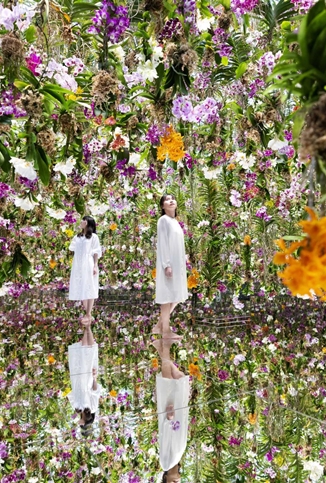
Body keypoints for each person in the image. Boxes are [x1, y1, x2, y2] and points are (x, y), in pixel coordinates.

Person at [152, 338, 188, 482]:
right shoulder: (177, 459)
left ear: (165, 478)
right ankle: (161, 348)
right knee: (179, 381)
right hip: (177, 416)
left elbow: (165, 440)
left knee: (168, 382)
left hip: (170, 417)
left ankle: (165, 345)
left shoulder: (166, 463)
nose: (177, 482)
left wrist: (169, 419)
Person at [153, 194, 188, 339]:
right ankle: (165, 330)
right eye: (167, 200)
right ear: (162, 206)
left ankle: (160, 325)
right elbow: (163, 243)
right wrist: (167, 265)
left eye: (173, 198)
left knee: (177, 294)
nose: (171, 200)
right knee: (167, 296)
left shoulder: (175, 222)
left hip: (177, 263)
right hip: (168, 264)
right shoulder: (163, 220)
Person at [67, 318, 101, 435]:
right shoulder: (93, 408)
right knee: (89, 353)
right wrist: (95, 378)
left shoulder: (77, 408)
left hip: (76, 380)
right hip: (87, 381)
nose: (79, 424)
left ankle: (87, 326)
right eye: (82, 426)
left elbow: (70, 394)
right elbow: (95, 392)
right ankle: (88, 326)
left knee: (82, 351)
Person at [69, 216, 101, 324]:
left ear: (88, 223)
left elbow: (96, 252)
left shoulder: (93, 237)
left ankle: (88, 313)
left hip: (88, 263)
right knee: (81, 286)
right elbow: (72, 248)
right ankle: (87, 313)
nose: (81, 221)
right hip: (78, 263)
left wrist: (95, 265)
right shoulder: (77, 237)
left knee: (90, 286)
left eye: (84, 220)